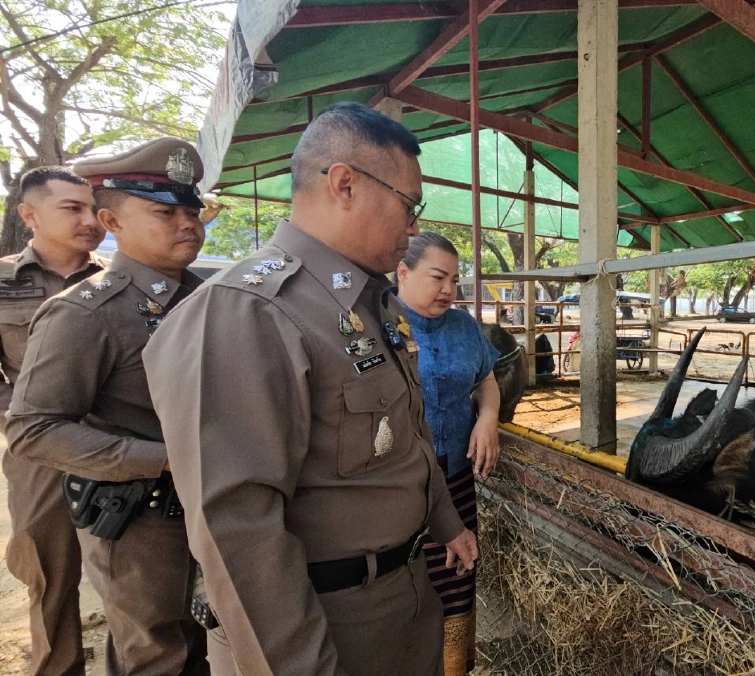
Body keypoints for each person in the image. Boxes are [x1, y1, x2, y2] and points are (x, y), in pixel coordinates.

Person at [143, 102, 478, 676]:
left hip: (401, 598)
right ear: (345, 184)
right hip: (319, 625)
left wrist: (445, 522)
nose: (414, 225)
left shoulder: (366, 304)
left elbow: (406, 435)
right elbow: (238, 534)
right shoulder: (245, 312)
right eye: (408, 204)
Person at [5, 138, 209, 675]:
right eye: (165, 212)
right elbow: (33, 429)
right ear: (111, 221)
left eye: (192, 210)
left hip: (212, 502)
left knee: (203, 644)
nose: (187, 223)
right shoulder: (83, 313)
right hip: (140, 517)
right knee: (159, 652)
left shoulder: (211, 298)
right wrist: (162, 458)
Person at [1, 166, 105, 676]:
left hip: (119, 445)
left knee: (137, 575)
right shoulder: (1, 283)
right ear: (29, 214)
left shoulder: (119, 279)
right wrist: (29, 418)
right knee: (49, 574)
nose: (90, 220)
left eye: (92, 208)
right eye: (72, 209)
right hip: (39, 455)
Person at [395, 233, 501, 676]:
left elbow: (486, 380)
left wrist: (488, 418)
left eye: (454, 280)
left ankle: (454, 667)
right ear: (403, 272)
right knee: (402, 582)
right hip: (396, 484)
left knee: (456, 574)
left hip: (454, 477)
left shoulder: (464, 326)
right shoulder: (373, 320)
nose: (447, 290)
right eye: (437, 277)